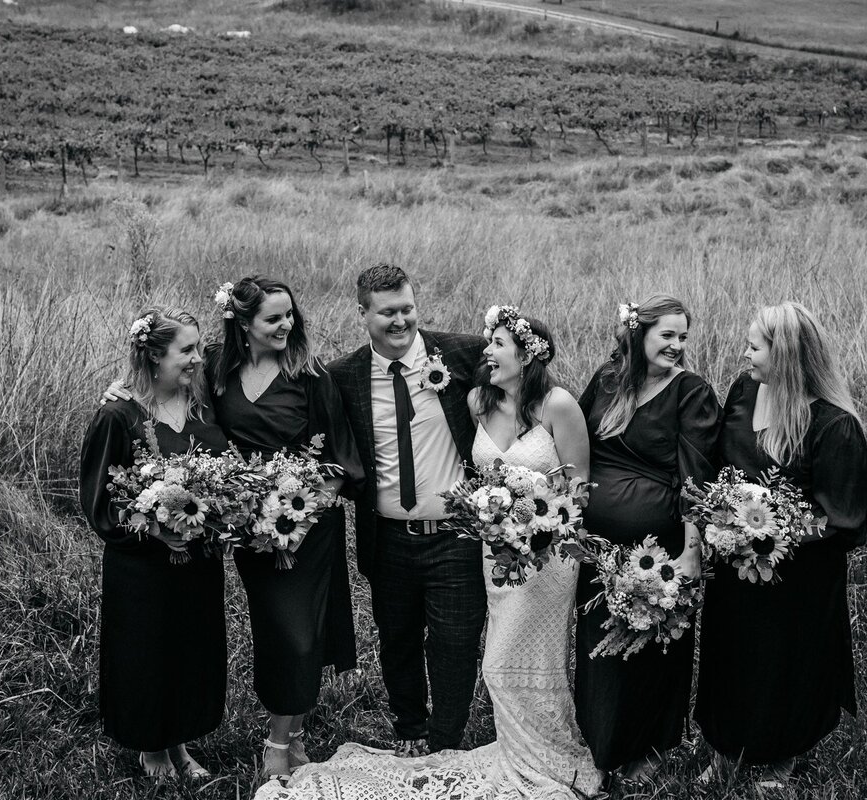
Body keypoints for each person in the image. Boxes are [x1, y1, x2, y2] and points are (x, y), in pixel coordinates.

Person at [252, 306, 601, 800]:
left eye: (499, 343)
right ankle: (461, 738)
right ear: (364, 312)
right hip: (484, 550)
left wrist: (537, 527)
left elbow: (578, 485)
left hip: (539, 555)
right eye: (488, 341)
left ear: (527, 354)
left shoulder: (554, 403)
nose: (487, 350)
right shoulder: (477, 397)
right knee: (413, 642)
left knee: (498, 660)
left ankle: (530, 751)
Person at [102, 278, 365, 785]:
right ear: (243, 324)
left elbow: (338, 458)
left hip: (303, 525)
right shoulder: (218, 369)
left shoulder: (311, 376)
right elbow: (163, 385)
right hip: (246, 529)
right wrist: (122, 388)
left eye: (291, 316)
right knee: (274, 632)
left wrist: (304, 510)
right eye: (273, 318)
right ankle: (291, 726)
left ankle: (280, 741)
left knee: (301, 635)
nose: (286, 325)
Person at [694, 301, 867, 790]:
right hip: (734, 565)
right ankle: (728, 748)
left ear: (786, 356)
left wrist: (774, 534)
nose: (745, 355)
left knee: (784, 662)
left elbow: (844, 519)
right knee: (730, 654)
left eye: (754, 347)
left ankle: (781, 755)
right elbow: (719, 467)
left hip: (799, 580)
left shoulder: (834, 425)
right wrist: (724, 518)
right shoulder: (744, 392)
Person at [326, 263, 488, 757]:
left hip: (457, 534)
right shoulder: (343, 376)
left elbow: (531, 375)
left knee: (455, 642)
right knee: (397, 639)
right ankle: (411, 727)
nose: (400, 322)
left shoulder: (464, 354)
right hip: (388, 536)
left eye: (408, 309)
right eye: (387, 313)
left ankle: (446, 739)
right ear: (363, 314)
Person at [574, 295, 720, 788]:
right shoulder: (607, 380)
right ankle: (602, 742)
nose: (678, 346)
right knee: (599, 646)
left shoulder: (691, 393)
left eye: (683, 337)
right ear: (638, 334)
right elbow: (573, 440)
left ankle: (647, 749)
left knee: (649, 647)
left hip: (657, 555)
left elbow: (697, 479)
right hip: (595, 548)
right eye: (668, 336)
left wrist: (692, 554)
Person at [79, 307, 227, 779]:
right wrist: (152, 528)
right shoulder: (118, 416)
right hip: (143, 565)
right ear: (153, 357)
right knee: (148, 652)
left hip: (199, 559)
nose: (198, 359)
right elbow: (99, 501)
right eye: (187, 350)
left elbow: (225, 472)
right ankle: (152, 749)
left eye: (199, 348)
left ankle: (179, 741)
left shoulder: (202, 406)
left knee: (190, 647)